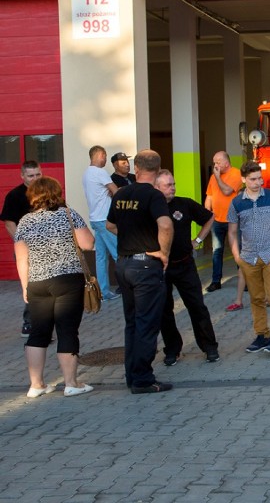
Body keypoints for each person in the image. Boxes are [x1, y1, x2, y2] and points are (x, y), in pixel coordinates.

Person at [14, 177, 95, 398]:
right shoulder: (68, 214)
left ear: (32, 195)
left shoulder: (24, 222)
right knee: (67, 330)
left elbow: (22, 259)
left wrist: (25, 287)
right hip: (68, 281)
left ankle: (36, 385)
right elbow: (88, 244)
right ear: (57, 193)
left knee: (38, 333)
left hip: (37, 283)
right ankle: (71, 383)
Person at [106, 149, 174, 394]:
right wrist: (162, 252)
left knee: (132, 323)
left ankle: (131, 375)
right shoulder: (153, 196)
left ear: (137, 169)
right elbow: (165, 224)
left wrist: (128, 236)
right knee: (147, 323)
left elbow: (110, 224)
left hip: (123, 264)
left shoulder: (121, 193)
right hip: (146, 265)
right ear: (157, 170)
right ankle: (144, 379)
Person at [154, 170, 220, 365]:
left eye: (173, 184)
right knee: (164, 310)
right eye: (168, 185)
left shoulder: (184, 203)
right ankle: (172, 350)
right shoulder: (151, 207)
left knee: (197, 306)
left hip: (185, 264)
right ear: (157, 187)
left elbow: (209, 217)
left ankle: (209, 347)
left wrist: (198, 240)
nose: (173, 187)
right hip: (161, 268)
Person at [228, 161, 270, 355]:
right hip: (249, 259)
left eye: (259, 178)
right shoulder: (237, 202)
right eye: (253, 179)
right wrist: (237, 256)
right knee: (256, 299)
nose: (258, 182)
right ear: (243, 180)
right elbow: (232, 232)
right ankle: (262, 336)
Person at [1, 160, 43, 337]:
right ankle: (29, 323)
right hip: (26, 249)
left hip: (47, 248)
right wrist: (21, 243)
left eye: (37, 174)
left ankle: (45, 322)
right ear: (22, 176)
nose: (34, 178)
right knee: (31, 286)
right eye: (30, 175)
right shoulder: (15, 195)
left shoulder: (46, 192)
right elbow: (9, 223)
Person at [204, 151, 244, 300]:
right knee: (217, 251)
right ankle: (216, 281)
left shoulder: (236, 174)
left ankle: (244, 280)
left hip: (233, 220)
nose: (215, 165)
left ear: (226, 163)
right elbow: (210, 195)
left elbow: (227, 191)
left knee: (238, 250)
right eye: (214, 162)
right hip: (217, 220)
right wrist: (206, 214)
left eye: (217, 162)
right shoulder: (213, 177)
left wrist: (217, 176)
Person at [82, 145, 121, 301]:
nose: (105, 159)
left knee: (101, 257)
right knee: (119, 254)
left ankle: (104, 292)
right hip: (105, 219)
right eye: (104, 156)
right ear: (99, 155)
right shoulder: (100, 172)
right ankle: (130, 287)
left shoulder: (86, 173)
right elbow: (115, 190)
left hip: (95, 218)